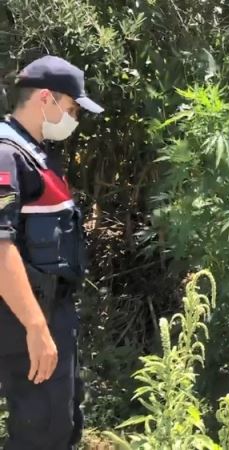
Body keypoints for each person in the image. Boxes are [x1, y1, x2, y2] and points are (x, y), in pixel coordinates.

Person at [0, 55, 103, 449]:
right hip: (23, 318)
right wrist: (36, 327)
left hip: (50, 310)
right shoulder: (7, 154)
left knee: (61, 422)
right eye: (72, 108)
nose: (73, 118)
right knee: (40, 431)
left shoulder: (36, 152)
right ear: (46, 98)